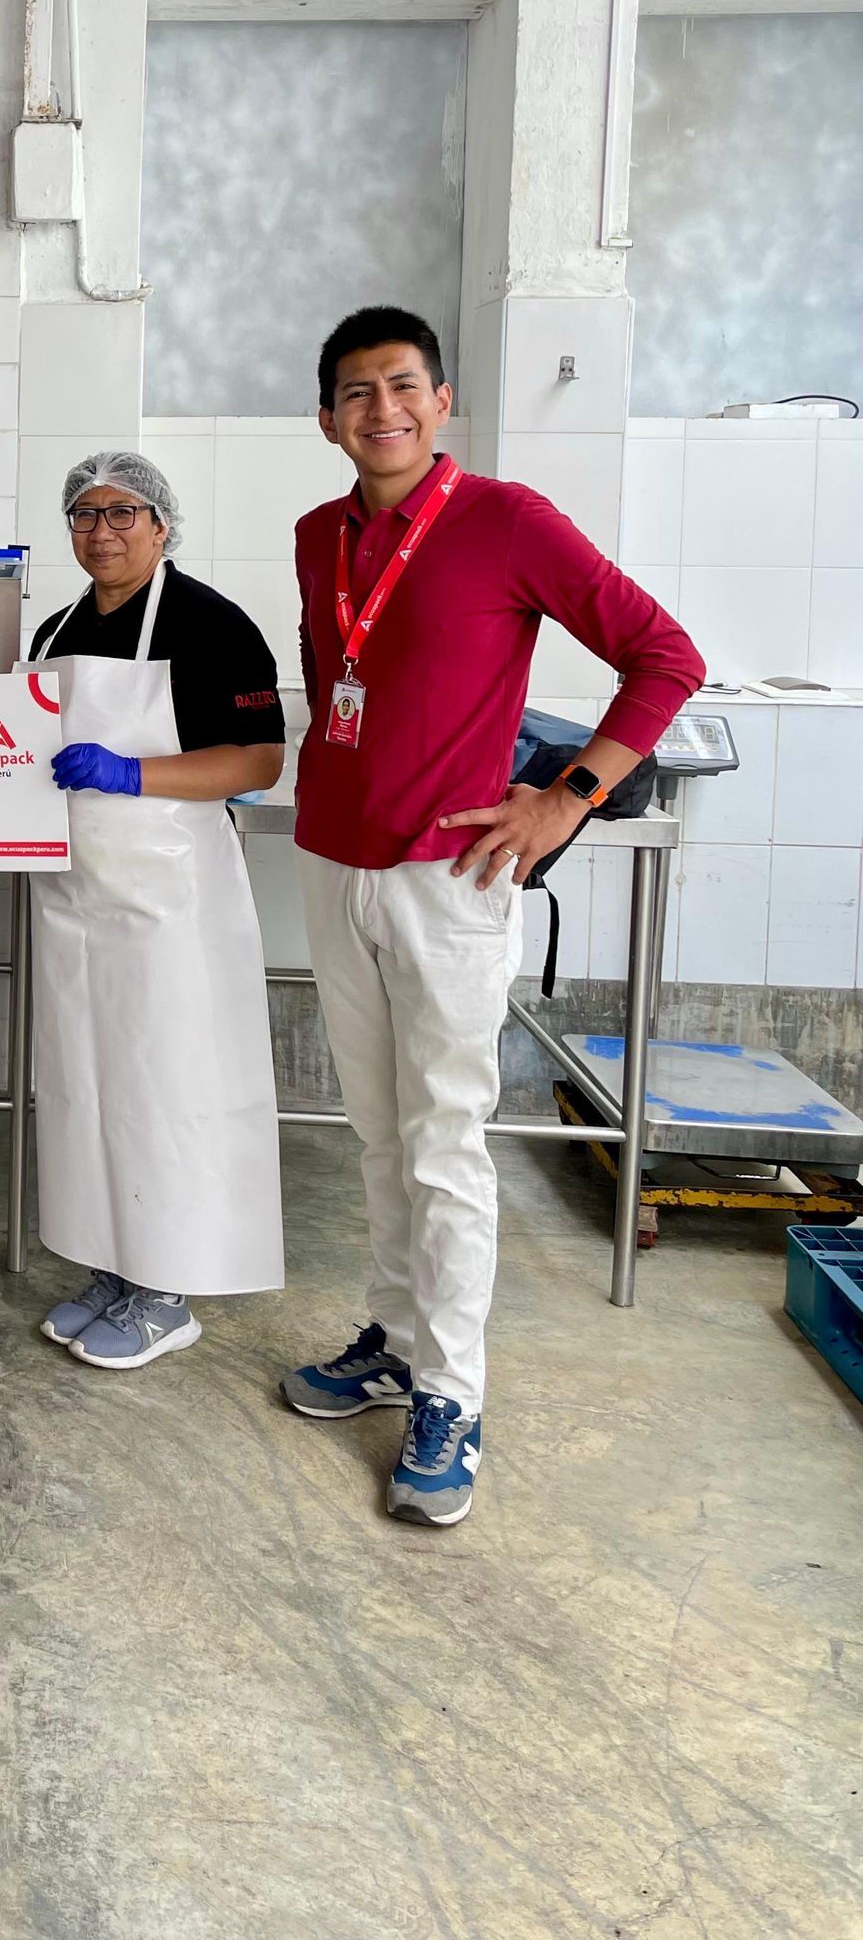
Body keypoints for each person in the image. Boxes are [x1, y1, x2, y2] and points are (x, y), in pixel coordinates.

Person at [281, 306, 704, 1526]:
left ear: (442, 399)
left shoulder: (504, 521)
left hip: (451, 878)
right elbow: (342, 683)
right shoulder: (321, 535)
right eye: (356, 393)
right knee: (373, 1131)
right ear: (327, 419)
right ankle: (398, 1337)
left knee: (444, 1143)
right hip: (334, 863)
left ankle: (453, 1396)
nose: (382, 410)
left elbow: (664, 655)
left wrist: (568, 796)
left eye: (402, 386)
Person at [0, 450, 288, 1369]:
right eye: (85, 516)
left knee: (165, 1086)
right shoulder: (52, 632)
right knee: (86, 1083)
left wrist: (135, 774)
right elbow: (20, 750)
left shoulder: (212, 625)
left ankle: (168, 1288)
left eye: (123, 514)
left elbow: (256, 761)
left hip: (171, 898)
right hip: (71, 894)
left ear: (163, 525)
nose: (102, 532)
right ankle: (111, 1262)